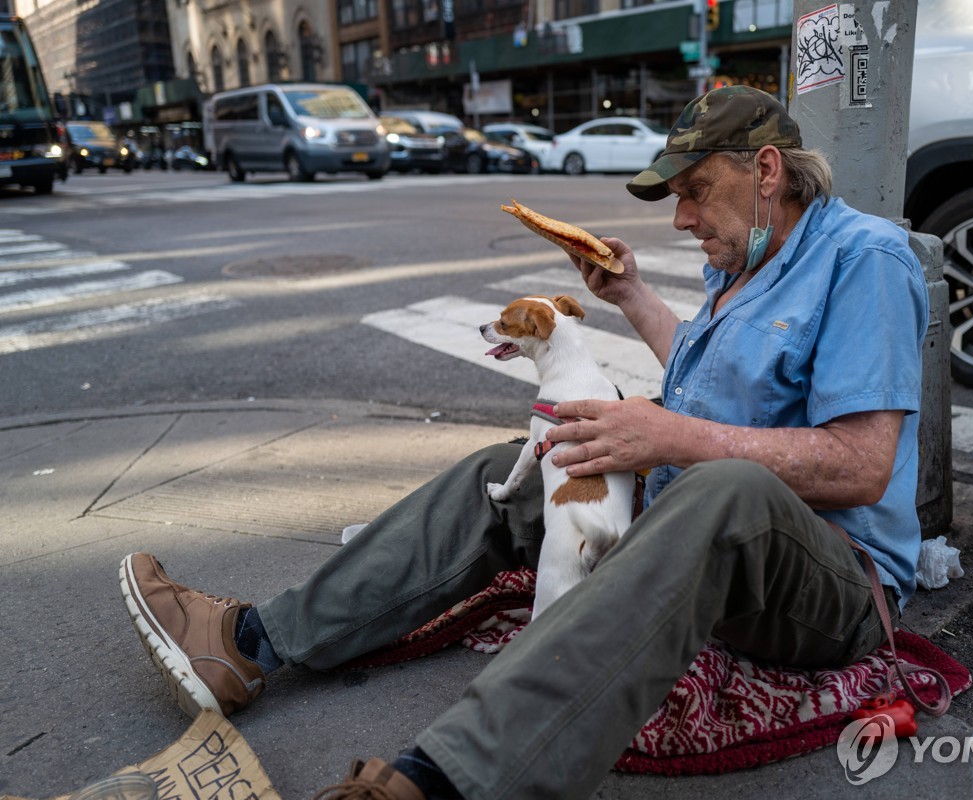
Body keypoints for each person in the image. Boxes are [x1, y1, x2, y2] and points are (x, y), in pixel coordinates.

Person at [120, 85, 929, 800]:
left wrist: (668, 434)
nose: (682, 218)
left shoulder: (867, 260)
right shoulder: (740, 259)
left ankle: (449, 780)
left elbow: (862, 466)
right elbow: (719, 380)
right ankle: (254, 642)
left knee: (725, 490)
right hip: (698, 516)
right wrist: (632, 297)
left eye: (696, 192)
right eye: (675, 197)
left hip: (831, 581)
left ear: (765, 172)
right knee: (526, 467)